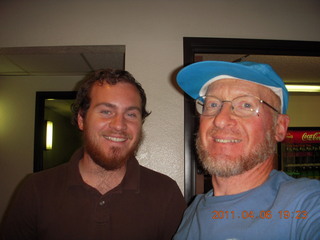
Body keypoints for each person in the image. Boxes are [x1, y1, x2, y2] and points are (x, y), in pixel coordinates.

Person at [1, 69, 186, 240]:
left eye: (131, 114)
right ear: (81, 119)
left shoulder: (166, 193)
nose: (119, 125)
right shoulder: (35, 190)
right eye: (106, 111)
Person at [173, 61, 320, 240]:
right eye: (212, 104)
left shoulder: (305, 204)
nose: (220, 119)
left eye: (246, 105)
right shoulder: (192, 211)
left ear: (279, 127)